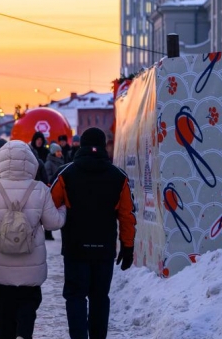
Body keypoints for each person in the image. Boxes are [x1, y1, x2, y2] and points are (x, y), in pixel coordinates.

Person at [0, 141, 67, 339]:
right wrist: (63, 210)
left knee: (4, 311)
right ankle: (23, 333)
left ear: (1, 162)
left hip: (1, 262)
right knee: (29, 304)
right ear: (31, 162)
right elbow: (53, 223)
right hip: (31, 261)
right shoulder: (39, 189)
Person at [50, 128, 136, 339]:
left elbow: (49, 206)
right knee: (100, 297)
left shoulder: (66, 173)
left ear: (81, 145)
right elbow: (127, 215)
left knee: (75, 297)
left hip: (75, 248)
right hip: (104, 249)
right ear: (104, 146)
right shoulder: (118, 176)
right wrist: (128, 246)